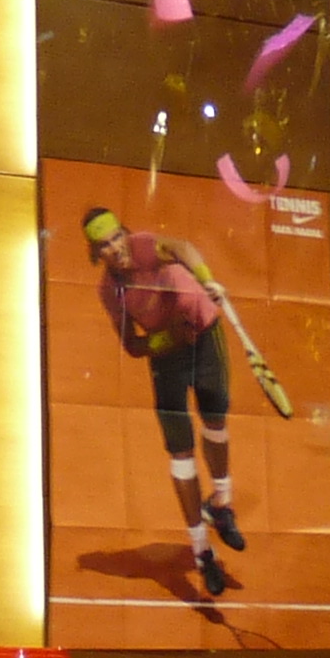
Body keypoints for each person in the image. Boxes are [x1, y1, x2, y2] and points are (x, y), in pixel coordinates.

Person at [80, 203, 248, 599]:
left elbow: (183, 248)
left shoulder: (144, 246)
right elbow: (132, 345)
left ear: (125, 233)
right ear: (96, 254)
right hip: (167, 357)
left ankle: (221, 504)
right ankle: (202, 552)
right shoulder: (110, 292)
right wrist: (168, 337)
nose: (116, 248)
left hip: (205, 335)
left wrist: (207, 279)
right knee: (181, 454)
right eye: (105, 246)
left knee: (215, 422)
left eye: (117, 237)